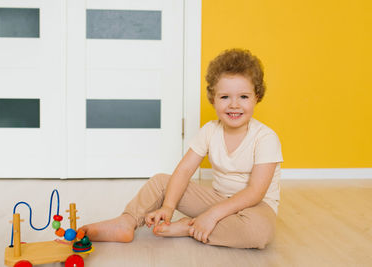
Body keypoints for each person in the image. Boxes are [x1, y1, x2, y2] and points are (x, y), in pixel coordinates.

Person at [80, 48, 283, 249]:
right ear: (213, 99)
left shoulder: (265, 138)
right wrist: (168, 207)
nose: (234, 105)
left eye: (244, 97)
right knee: (161, 181)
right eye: (225, 97)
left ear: (257, 96)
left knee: (258, 233)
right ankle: (126, 222)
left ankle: (189, 228)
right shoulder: (210, 131)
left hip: (255, 207)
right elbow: (184, 170)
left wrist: (212, 215)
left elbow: (256, 192)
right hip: (218, 199)